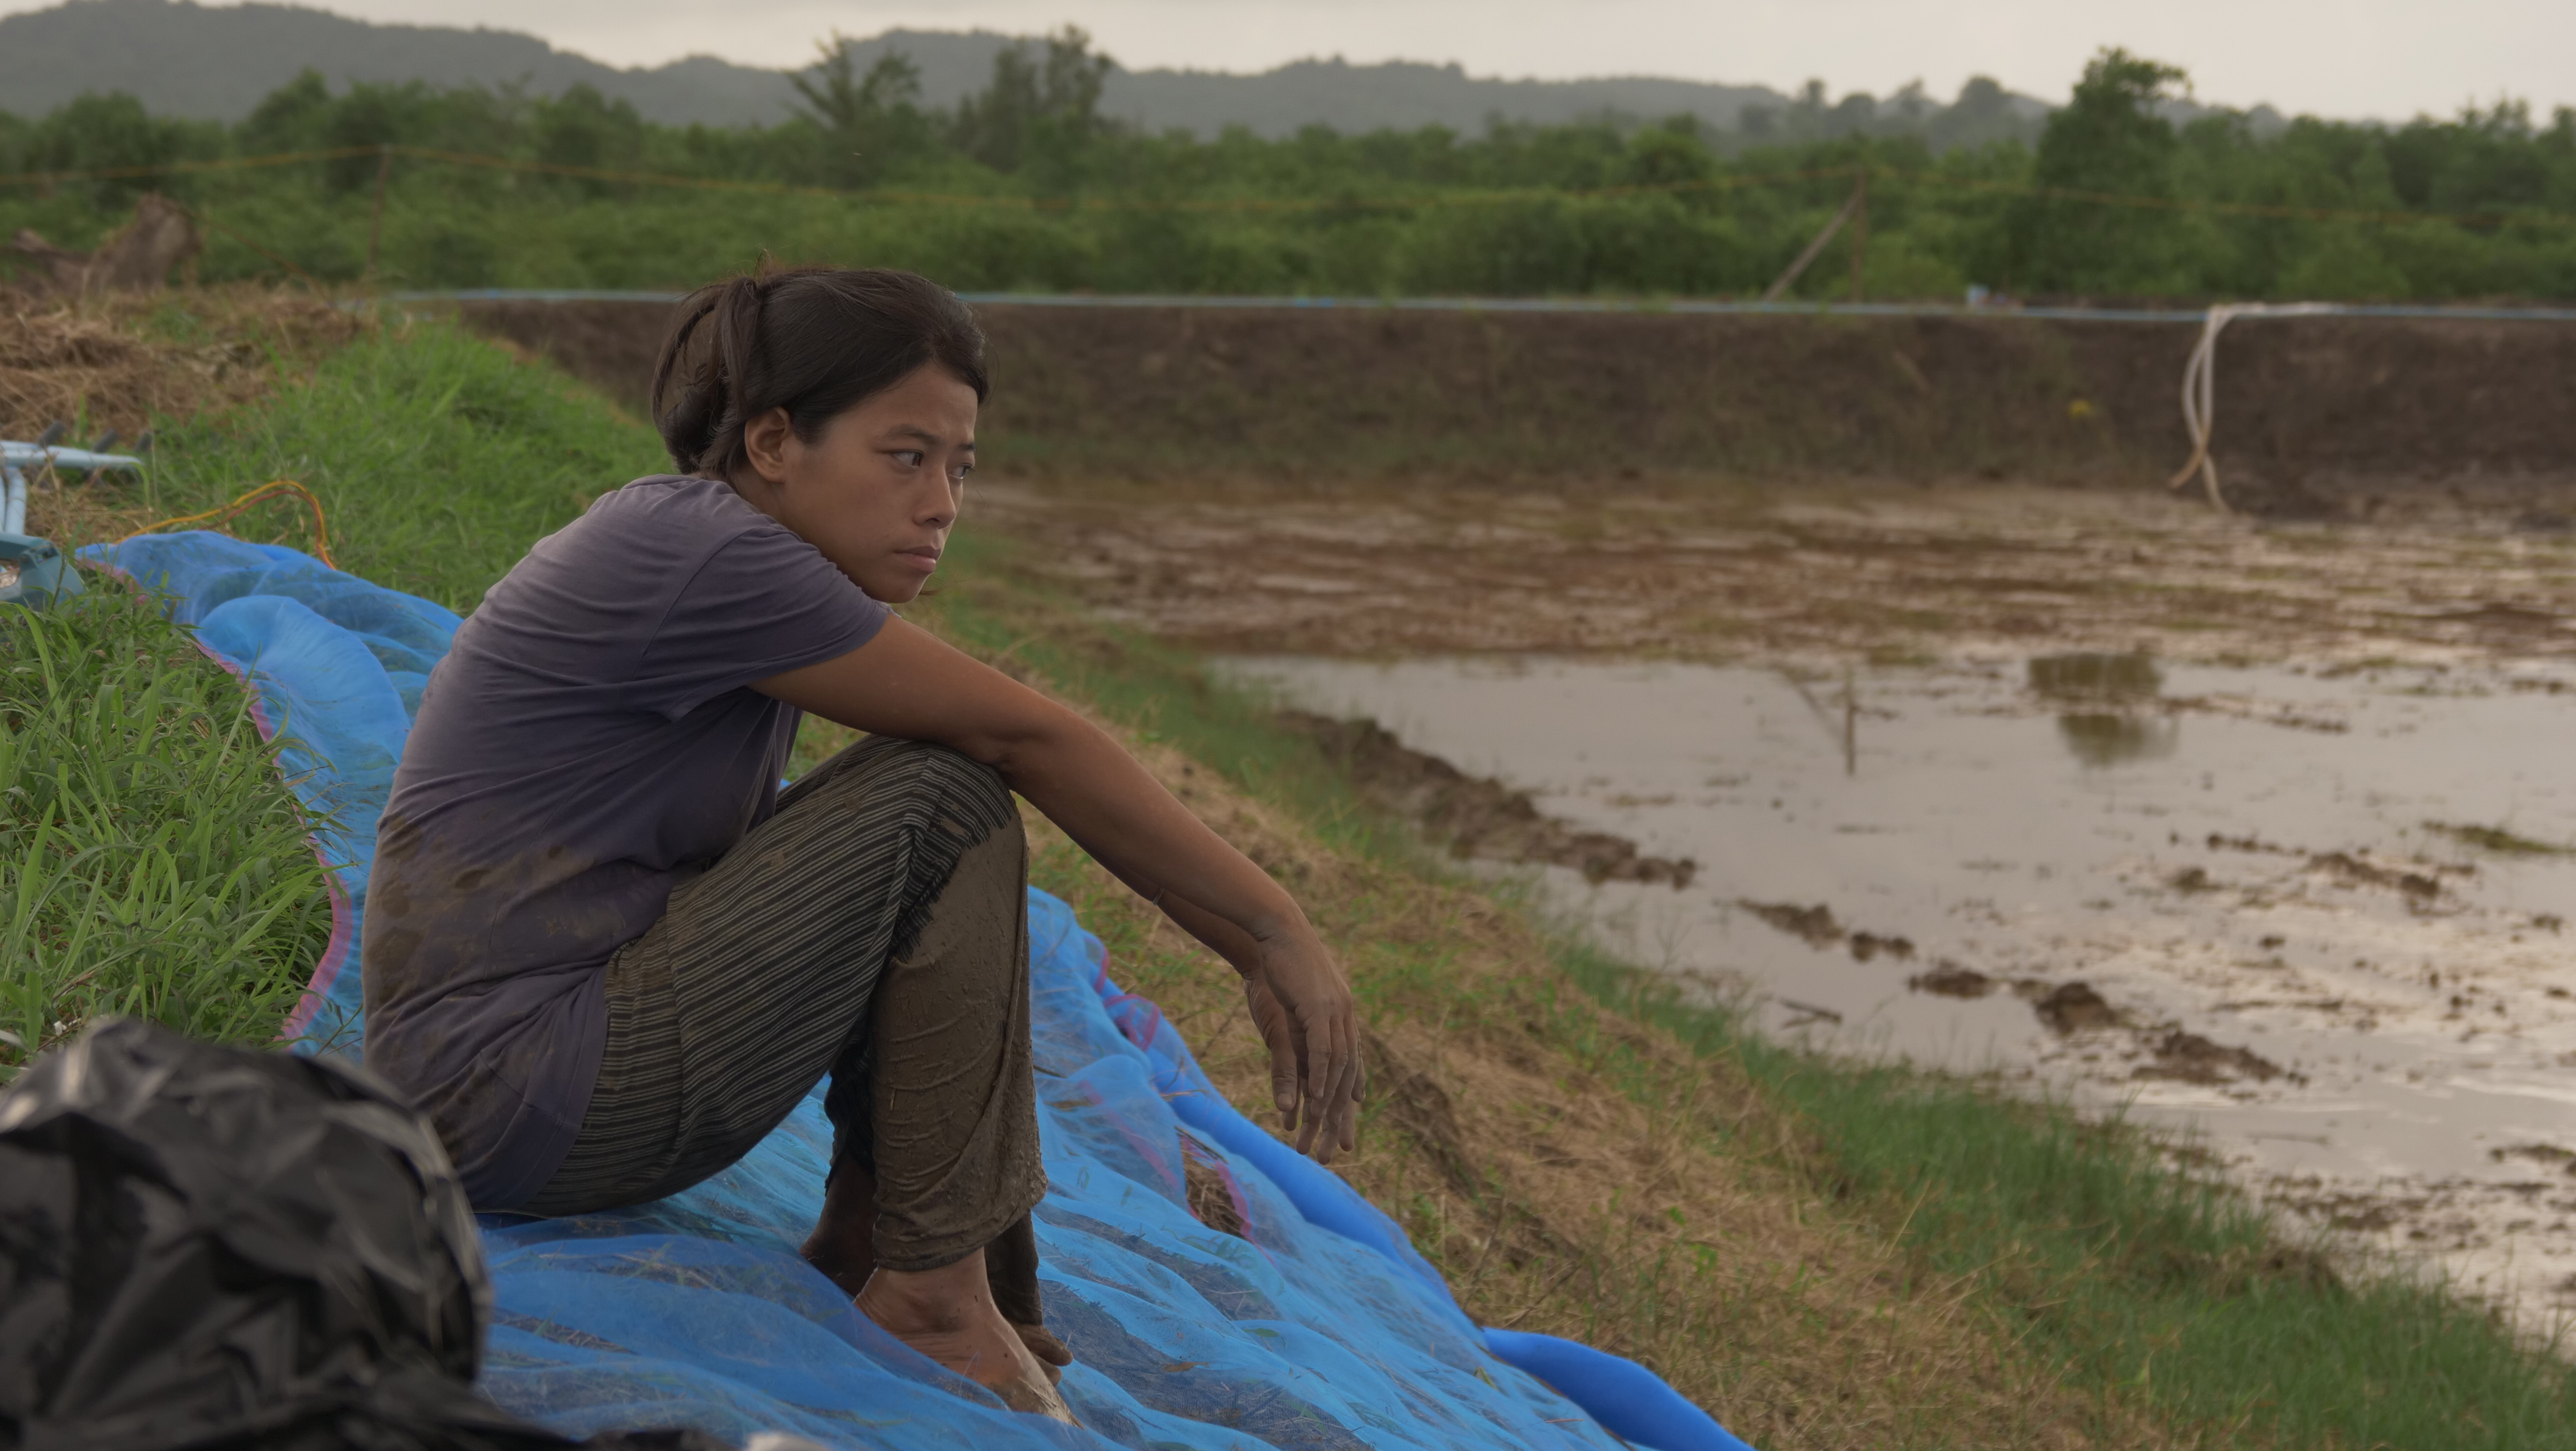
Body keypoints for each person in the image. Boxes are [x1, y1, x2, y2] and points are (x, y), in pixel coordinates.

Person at [360, 266, 1364, 1420]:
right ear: (774, 441)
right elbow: (1027, 733)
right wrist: (1271, 930)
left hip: (515, 1087)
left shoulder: (719, 547)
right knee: (943, 793)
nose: (941, 503)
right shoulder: (705, 552)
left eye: (960, 467)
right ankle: (931, 1295)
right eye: (906, 456)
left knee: (924, 805)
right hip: (513, 1090)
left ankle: (872, 1240)